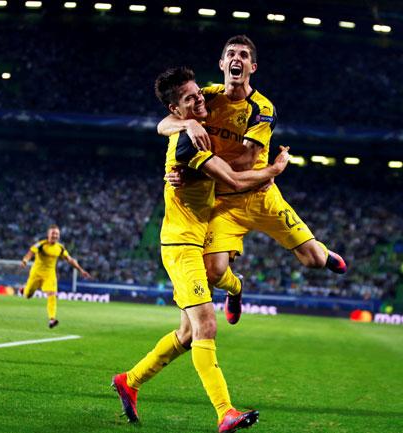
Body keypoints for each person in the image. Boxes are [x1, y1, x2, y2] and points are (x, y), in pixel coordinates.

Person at [112, 67, 291, 432]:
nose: (200, 100)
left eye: (198, 93)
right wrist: (274, 169)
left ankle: (129, 381)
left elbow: (163, 123)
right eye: (190, 99)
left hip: (200, 236)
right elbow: (237, 179)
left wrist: (184, 123)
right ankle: (225, 411)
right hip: (181, 245)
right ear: (177, 109)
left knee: (186, 334)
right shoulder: (189, 142)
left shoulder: (195, 126)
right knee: (206, 324)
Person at [158, 35, 347, 325]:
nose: (237, 58)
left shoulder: (262, 108)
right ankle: (236, 288)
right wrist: (189, 122)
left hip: (260, 194)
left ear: (252, 67)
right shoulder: (205, 96)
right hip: (223, 203)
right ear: (222, 64)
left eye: (244, 55)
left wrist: (199, 168)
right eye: (231, 53)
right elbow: (163, 123)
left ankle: (322, 251)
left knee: (313, 261)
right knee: (214, 272)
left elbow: (246, 160)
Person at [20, 224, 92, 328]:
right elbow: (30, 252)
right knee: (27, 296)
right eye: (53, 233)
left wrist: (81, 270)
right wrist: (25, 260)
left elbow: (70, 259)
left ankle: (52, 319)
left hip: (50, 275)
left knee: (52, 294)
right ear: (48, 234)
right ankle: (24, 289)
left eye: (57, 234)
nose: (55, 235)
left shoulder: (60, 248)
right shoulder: (41, 244)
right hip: (36, 274)